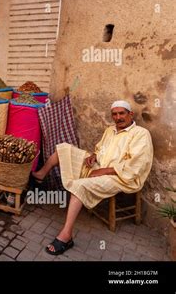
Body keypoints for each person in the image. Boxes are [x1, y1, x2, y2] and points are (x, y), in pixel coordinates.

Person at [31, 100, 153, 255]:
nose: (118, 117)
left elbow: (136, 166)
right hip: (98, 166)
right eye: (114, 114)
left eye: (121, 113)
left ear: (130, 114)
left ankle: (66, 236)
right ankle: (41, 175)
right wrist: (94, 156)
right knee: (64, 149)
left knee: (79, 186)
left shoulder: (141, 134)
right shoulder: (110, 130)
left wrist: (104, 171)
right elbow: (100, 148)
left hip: (120, 177)